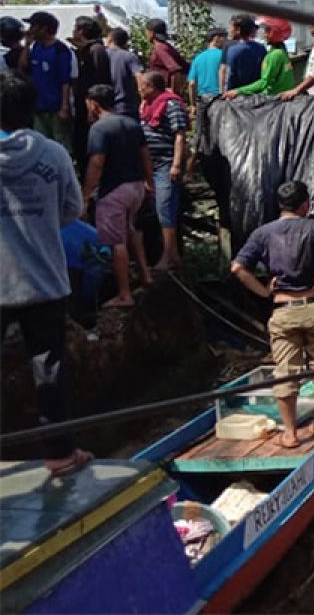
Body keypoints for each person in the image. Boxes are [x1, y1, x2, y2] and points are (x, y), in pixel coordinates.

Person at [0, 71, 92, 476]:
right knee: (49, 370)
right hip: (45, 281)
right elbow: (73, 210)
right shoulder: (53, 154)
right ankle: (59, 454)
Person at [231, 180, 314, 449]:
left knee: (286, 373)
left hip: (283, 310)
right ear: (305, 205)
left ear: (281, 205)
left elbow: (238, 268)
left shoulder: (263, 233)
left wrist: (262, 291)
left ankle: (291, 433)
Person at [81, 84, 153, 308]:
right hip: (135, 187)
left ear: (94, 104)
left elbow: (97, 163)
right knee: (131, 229)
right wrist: (149, 182)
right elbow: (145, 155)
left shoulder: (99, 129)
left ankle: (124, 294)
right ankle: (145, 275)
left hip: (113, 191)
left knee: (116, 242)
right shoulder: (132, 123)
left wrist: (85, 195)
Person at [139, 71, 188, 271]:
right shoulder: (146, 107)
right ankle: (172, 254)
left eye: (143, 85)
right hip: (151, 164)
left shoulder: (170, 104)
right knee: (158, 209)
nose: (140, 89)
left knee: (165, 207)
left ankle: (168, 256)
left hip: (166, 163)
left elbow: (179, 135)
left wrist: (176, 164)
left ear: (152, 87)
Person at [24, 11, 74, 150]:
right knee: (40, 145)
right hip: (38, 106)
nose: (30, 29)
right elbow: (23, 66)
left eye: (33, 26)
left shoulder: (60, 50)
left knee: (60, 145)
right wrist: (27, 45)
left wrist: (64, 107)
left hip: (55, 107)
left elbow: (65, 80)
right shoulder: (36, 47)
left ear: (44, 28)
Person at [71, 16, 112, 164]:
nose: (74, 31)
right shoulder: (87, 50)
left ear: (82, 31)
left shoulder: (96, 50)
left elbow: (99, 81)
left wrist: (93, 108)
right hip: (84, 106)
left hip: (92, 108)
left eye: (76, 29)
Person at [223, 18, 296, 99]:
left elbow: (264, 82)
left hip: (274, 98)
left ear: (273, 33)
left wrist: (237, 91)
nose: (263, 33)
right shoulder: (282, 52)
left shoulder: (274, 55)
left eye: (267, 30)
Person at [220, 14, 267, 93]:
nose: (230, 29)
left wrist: (225, 92)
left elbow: (229, 74)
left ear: (238, 29)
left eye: (232, 27)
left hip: (236, 94)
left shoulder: (232, 50)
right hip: (256, 92)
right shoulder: (261, 48)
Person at [105, 28, 143, 119]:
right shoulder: (130, 56)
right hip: (127, 106)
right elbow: (139, 76)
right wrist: (144, 100)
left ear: (110, 39)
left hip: (105, 106)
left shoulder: (102, 54)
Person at [145, 18, 187, 96]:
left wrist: (173, 93)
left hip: (162, 94)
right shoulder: (167, 47)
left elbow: (175, 70)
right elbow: (185, 67)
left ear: (151, 33)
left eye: (147, 31)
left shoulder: (160, 48)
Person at [186, 28, 226, 109]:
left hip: (202, 99)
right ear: (216, 38)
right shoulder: (224, 55)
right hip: (218, 98)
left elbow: (191, 83)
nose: (226, 41)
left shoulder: (198, 58)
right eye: (224, 38)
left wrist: (193, 105)